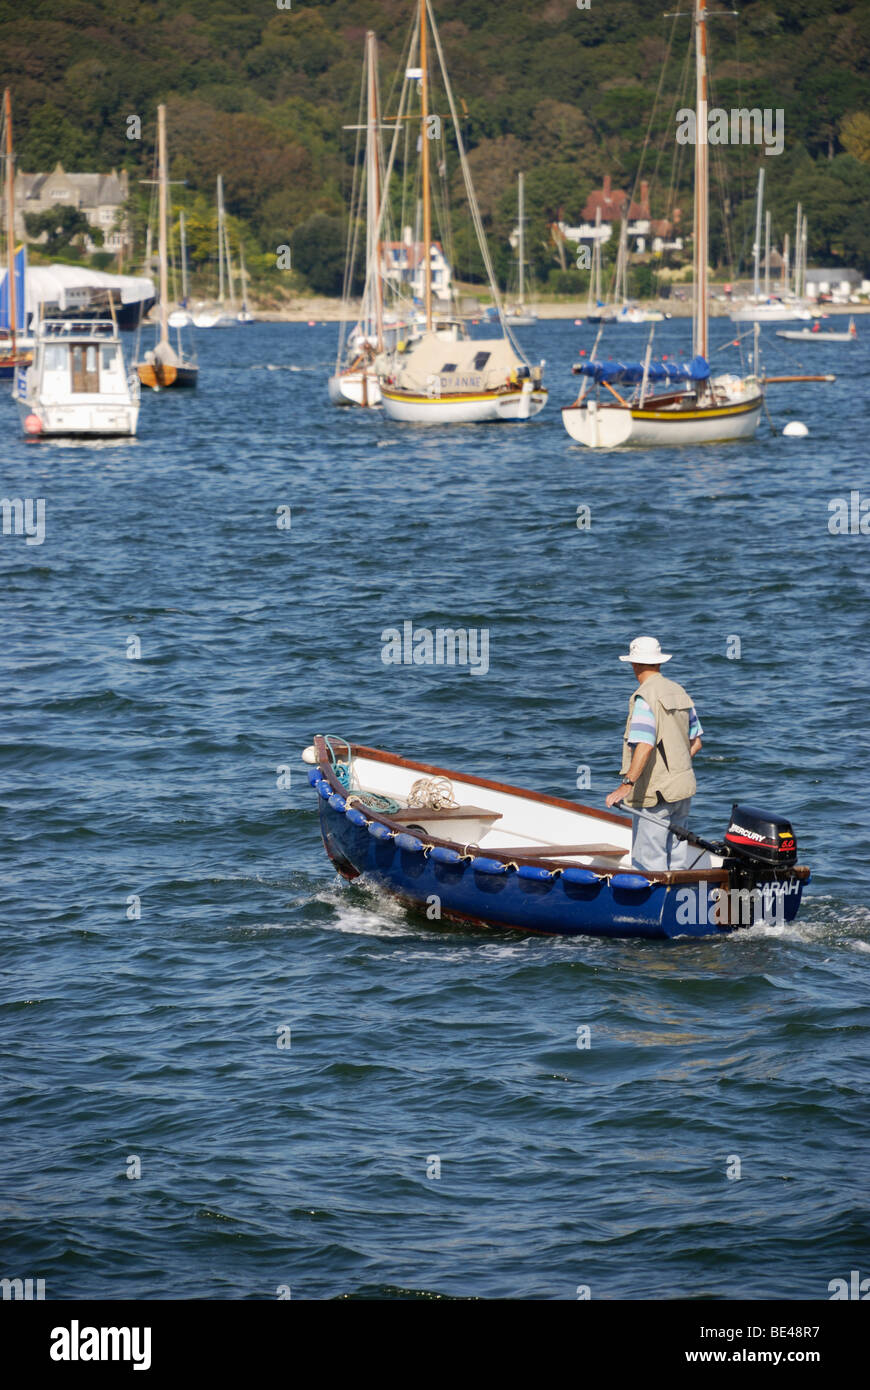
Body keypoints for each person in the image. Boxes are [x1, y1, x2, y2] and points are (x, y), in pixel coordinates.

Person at [605, 636, 703, 872]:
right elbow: (696, 742)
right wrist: (674, 770)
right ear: (659, 662)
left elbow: (645, 745)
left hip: (655, 794)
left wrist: (626, 785)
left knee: (649, 862)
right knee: (677, 858)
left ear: (634, 664)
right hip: (682, 788)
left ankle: (651, 908)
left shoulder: (644, 698)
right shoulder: (679, 691)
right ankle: (679, 903)